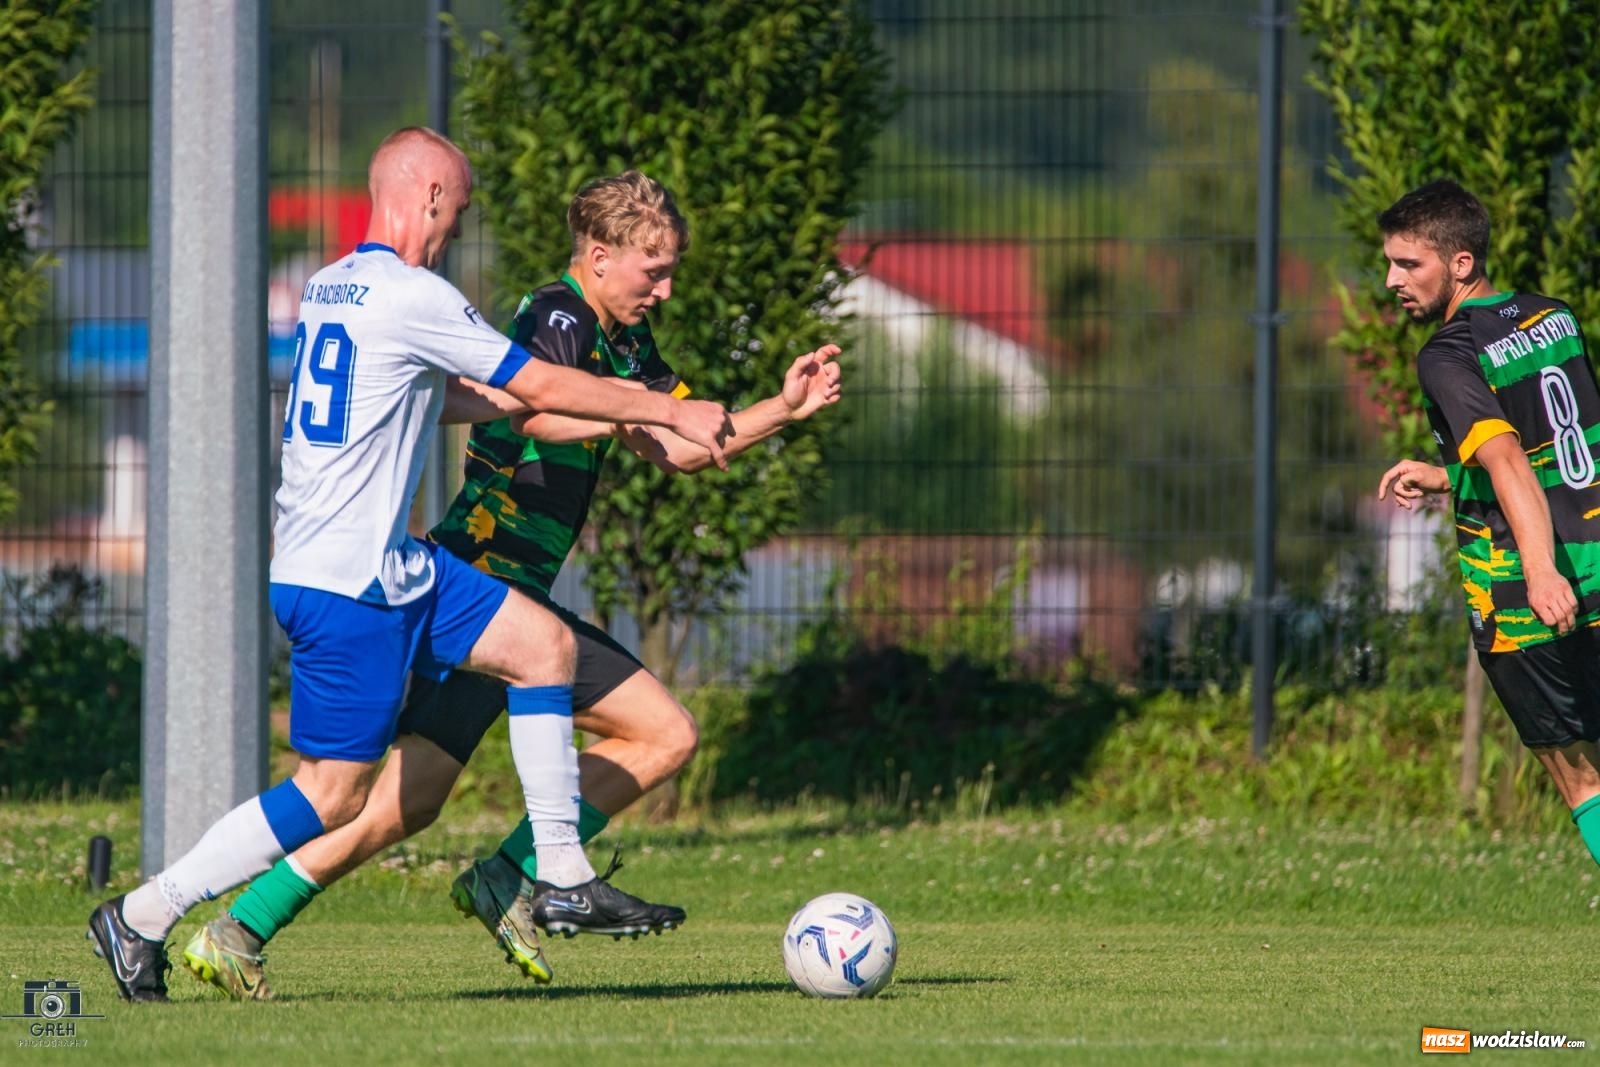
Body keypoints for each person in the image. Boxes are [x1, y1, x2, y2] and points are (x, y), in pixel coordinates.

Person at [87, 130, 735, 1003]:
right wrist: (653, 408)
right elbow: (538, 387)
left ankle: (559, 874)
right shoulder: (412, 291)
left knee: (541, 646)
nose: (455, 232)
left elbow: (450, 395)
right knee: (330, 797)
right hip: (351, 583)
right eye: (458, 213)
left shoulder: (333, 285)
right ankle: (142, 914)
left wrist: (572, 405)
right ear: (429, 196)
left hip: (383, 567)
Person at [1375, 179, 1600, 872]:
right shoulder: (1553, 317)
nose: (1392, 281)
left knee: (1584, 780)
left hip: (1526, 598)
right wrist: (1447, 476)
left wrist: (1538, 569)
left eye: (1409, 264)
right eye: (1388, 263)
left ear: (1461, 263)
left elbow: (1504, 456)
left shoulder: (1447, 351)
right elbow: (1562, 446)